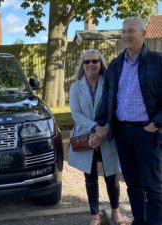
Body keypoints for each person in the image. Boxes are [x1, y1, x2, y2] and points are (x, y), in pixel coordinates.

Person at [94, 17, 162, 225]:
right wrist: (98, 124)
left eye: (131, 31)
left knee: (153, 185)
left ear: (143, 33)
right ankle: (139, 222)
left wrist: (155, 124)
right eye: (123, 32)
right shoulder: (115, 64)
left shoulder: (158, 61)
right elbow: (107, 97)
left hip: (147, 132)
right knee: (133, 185)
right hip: (123, 133)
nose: (126, 35)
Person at [68, 49, 126, 225]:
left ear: (101, 64)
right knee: (90, 176)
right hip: (86, 135)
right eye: (87, 62)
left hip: (107, 135)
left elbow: (116, 110)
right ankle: (94, 215)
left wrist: (104, 131)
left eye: (95, 61)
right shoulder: (76, 87)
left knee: (111, 175)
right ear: (82, 66)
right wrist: (95, 128)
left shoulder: (109, 84)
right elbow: (76, 114)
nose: (91, 64)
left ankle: (115, 212)